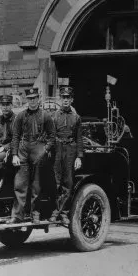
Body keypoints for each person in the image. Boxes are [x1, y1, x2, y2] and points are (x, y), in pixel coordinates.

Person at [10, 86, 55, 223]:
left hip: (38, 151)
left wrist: (45, 150)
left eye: (34, 98)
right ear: (27, 100)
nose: (32, 101)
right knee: (20, 185)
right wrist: (14, 155)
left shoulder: (45, 116)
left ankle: (35, 214)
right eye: (29, 99)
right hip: (23, 151)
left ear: (38, 98)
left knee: (36, 186)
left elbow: (52, 136)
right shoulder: (21, 116)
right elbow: (15, 136)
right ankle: (17, 216)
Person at [50, 85, 84, 225]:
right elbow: (50, 136)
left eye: (68, 98)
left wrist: (79, 157)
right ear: (60, 99)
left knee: (68, 183)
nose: (65, 100)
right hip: (57, 149)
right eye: (63, 97)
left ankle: (63, 214)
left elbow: (79, 138)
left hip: (70, 150)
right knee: (55, 182)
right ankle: (54, 212)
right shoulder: (54, 116)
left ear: (72, 100)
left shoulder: (76, 117)